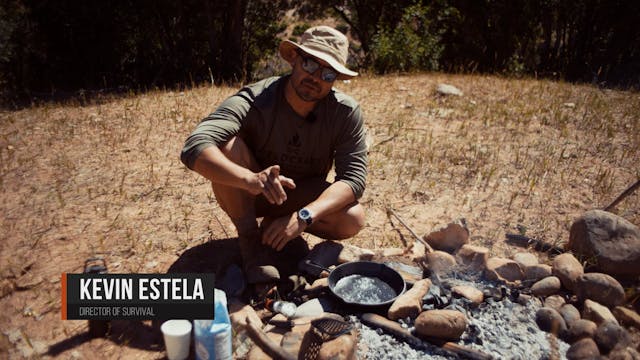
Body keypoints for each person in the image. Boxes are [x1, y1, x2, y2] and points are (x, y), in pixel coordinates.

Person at [180, 26, 368, 285]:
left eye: (328, 73)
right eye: (310, 64)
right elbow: (195, 146)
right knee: (227, 145)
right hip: (250, 194)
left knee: (352, 219)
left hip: (300, 195)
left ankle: (277, 226)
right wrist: (250, 179)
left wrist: (304, 216)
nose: (316, 78)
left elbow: (354, 179)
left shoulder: (344, 112)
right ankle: (250, 241)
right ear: (294, 58)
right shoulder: (256, 98)